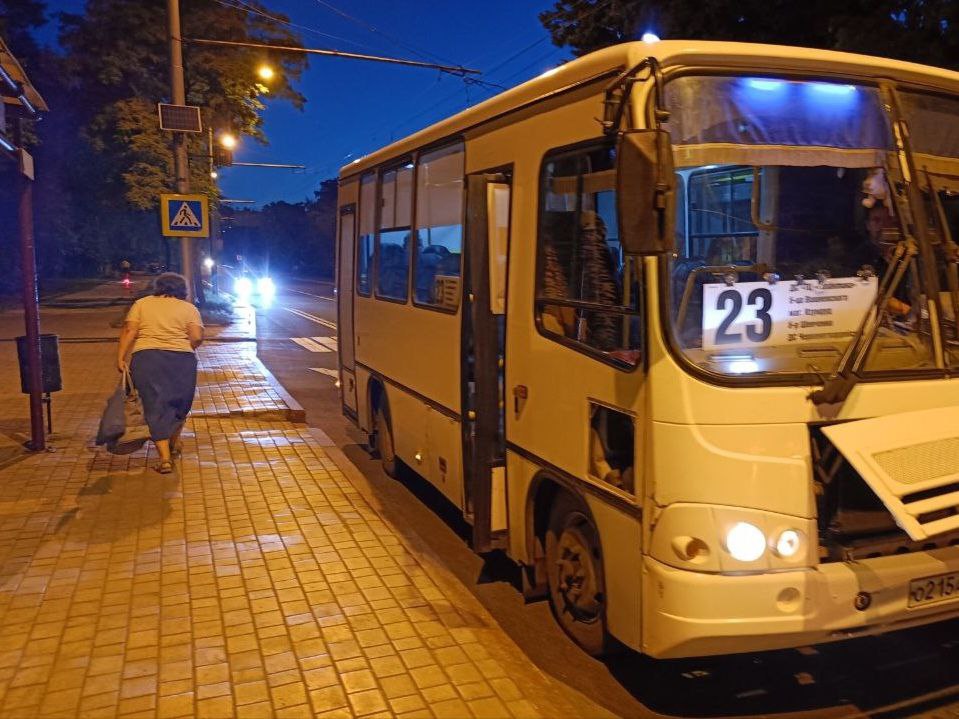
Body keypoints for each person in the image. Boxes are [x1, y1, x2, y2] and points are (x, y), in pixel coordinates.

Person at [116, 273, 203, 474]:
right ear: (182, 289)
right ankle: (170, 447)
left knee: (154, 405)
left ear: (158, 286)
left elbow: (130, 331)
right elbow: (197, 337)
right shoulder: (188, 308)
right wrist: (185, 345)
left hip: (147, 359)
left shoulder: (141, 304)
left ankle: (165, 457)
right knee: (180, 404)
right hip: (181, 361)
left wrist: (121, 357)